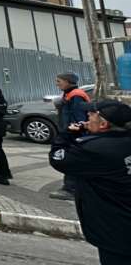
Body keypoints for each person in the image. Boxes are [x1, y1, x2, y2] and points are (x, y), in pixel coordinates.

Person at [48, 100, 131, 265]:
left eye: (91, 114)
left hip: (116, 229)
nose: (87, 116)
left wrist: (68, 134)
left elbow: (58, 157)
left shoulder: (93, 149)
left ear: (104, 124)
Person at [49, 72, 90, 201]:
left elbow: (79, 117)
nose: (57, 84)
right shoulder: (69, 94)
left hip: (73, 135)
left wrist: (73, 132)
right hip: (71, 133)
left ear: (68, 82)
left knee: (70, 161)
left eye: (59, 81)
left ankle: (70, 189)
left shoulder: (76, 96)